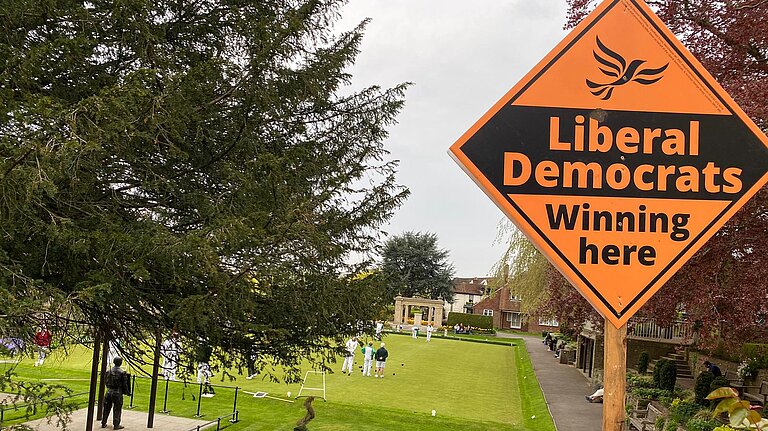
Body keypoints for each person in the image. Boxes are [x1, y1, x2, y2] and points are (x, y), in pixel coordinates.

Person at [102, 357, 131, 429]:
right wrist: (127, 392)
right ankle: (116, 424)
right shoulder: (122, 372)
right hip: (117, 392)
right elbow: (125, 384)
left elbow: (105, 381)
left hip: (108, 391)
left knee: (106, 408)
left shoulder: (108, 371)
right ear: (120, 363)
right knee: (117, 409)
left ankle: (103, 422)